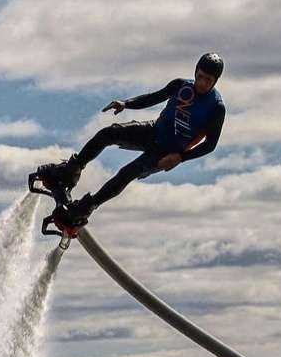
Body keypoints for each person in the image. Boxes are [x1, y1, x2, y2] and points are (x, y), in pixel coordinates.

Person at [30, 52, 225, 229]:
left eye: (209, 80)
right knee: (109, 133)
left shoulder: (216, 107)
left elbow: (210, 145)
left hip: (167, 152)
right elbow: (153, 98)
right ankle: (70, 171)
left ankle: (85, 208)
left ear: (215, 81)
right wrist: (126, 104)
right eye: (200, 77)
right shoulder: (181, 85)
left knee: (127, 173)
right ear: (196, 71)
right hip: (154, 131)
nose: (203, 83)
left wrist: (179, 158)